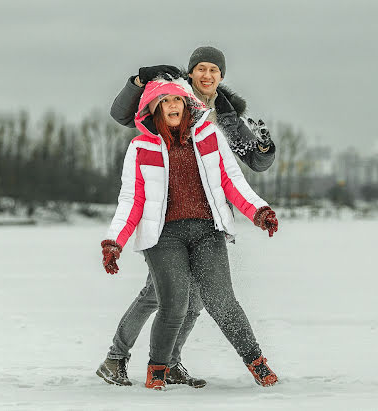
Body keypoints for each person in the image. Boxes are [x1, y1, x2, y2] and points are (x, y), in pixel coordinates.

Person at [96, 46, 276, 388]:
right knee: (162, 297)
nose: (207, 76)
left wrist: (264, 150)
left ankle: (171, 363)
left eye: (215, 71)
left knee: (191, 301)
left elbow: (246, 164)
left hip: (206, 222)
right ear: (190, 74)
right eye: (201, 69)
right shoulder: (170, 95)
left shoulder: (223, 118)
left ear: (222, 78)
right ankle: (117, 357)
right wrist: (138, 81)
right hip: (165, 227)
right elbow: (125, 115)